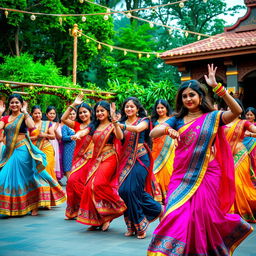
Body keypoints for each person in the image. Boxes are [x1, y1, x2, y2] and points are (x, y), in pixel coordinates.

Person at [147, 64, 253, 255]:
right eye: (184, 96)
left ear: (200, 97)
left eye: (192, 95)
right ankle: (166, 250)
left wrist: (218, 89)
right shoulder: (177, 119)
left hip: (207, 174)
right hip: (181, 175)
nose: (188, 99)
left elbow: (236, 111)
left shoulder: (213, 117)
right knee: (174, 213)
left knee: (201, 216)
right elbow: (154, 132)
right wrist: (166, 129)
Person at [0, 94, 66, 217]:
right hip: (10, 152)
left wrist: (25, 112)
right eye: (12, 103)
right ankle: (12, 207)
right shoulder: (5, 119)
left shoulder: (24, 116)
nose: (14, 105)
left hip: (23, 150)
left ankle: (34, 205)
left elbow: (32, 127)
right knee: (4, 177)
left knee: (29, 177)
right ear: (9, 105)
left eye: (16, 103)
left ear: (21, 104)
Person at [73, 101, 126, 231]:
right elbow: (84, 131)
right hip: (97, 159)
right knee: (88, 188)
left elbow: (120, 136)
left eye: (102, 110)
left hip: (110, 158)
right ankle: (97, 220)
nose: (100, 113)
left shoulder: (113, 125)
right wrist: (77, 134)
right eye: (97, 111)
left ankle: (110, 213)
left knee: (98, 185)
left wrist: (115, 122)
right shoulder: (94, 126)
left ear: (108, 112)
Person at [117, 97, 162, 239]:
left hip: (141, 159)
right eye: (126, 107)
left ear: (137, 109)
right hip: (126, 160)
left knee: (133, 190)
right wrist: (116, 125)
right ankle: (133, 223)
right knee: (123, 191)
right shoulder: (121, 123)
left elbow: (137, 129)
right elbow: (119, 137)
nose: (129, 109)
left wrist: (120, 125)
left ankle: (140, 225)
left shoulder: (144, 120)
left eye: (132, 107)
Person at [61, 95, 94, 220]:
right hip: (78, 158)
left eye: (85, 112)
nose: (82, 115)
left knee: (79, 182)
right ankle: (74, 210)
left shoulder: (95, 125)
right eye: (80, 113)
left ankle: (87, 208)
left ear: (90, 113)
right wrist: (73, 105)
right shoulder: (76, 125)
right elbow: (64, 118)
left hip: (91, 158)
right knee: (71, 182)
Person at [224, 100, 256, 223]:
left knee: (237, 183)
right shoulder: (221, 123)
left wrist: (250, 134)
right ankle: (229, 210)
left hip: (240, 155)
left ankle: (238, 210)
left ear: (239, 110)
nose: (230, 110)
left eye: (233, 108)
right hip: (224, 157)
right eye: (228, 108)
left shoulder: (244, 123)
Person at [151, 99, 175, 204]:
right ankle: (159, 196)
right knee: (156, 173)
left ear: (166, 108)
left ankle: (170, 195)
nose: (160, 110)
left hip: (169, 151)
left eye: (162, 107)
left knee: (168, 172)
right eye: (158, 108)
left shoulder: (172, 120)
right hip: (155, 151)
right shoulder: (152, 121)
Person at [30, 105, 58, 182]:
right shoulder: (29, 124)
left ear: (41, 114)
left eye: (39, 113)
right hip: (33, 150)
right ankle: (39, 191)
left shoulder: (47, 123)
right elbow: (25, 137)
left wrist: (44, 135)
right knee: (35, 170)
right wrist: (35, 138)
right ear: (31, 114)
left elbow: (53, 136)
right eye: (35, 113)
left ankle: (49, 190)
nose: (37, 115)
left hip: (47, 148)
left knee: (47, 167)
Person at [45, 106, 63, 181]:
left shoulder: (57, 124)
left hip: (55, 143)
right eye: (50, 113)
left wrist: (55, 130)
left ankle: (54, 179)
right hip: (46, 144)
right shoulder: (44, 123)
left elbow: (60, 137)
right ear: (46, 114)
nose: (52, 115)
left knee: (55, 160)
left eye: (54, 113)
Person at [61, 109, 76, 178]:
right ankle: (69, 181)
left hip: (77, 147)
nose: (72, 115)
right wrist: (72, 137)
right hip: (68, 148)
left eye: (73, 114)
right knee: (68, 164)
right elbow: (64, 137)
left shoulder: (78, 124)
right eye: (70, 114)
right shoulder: (65, 126)